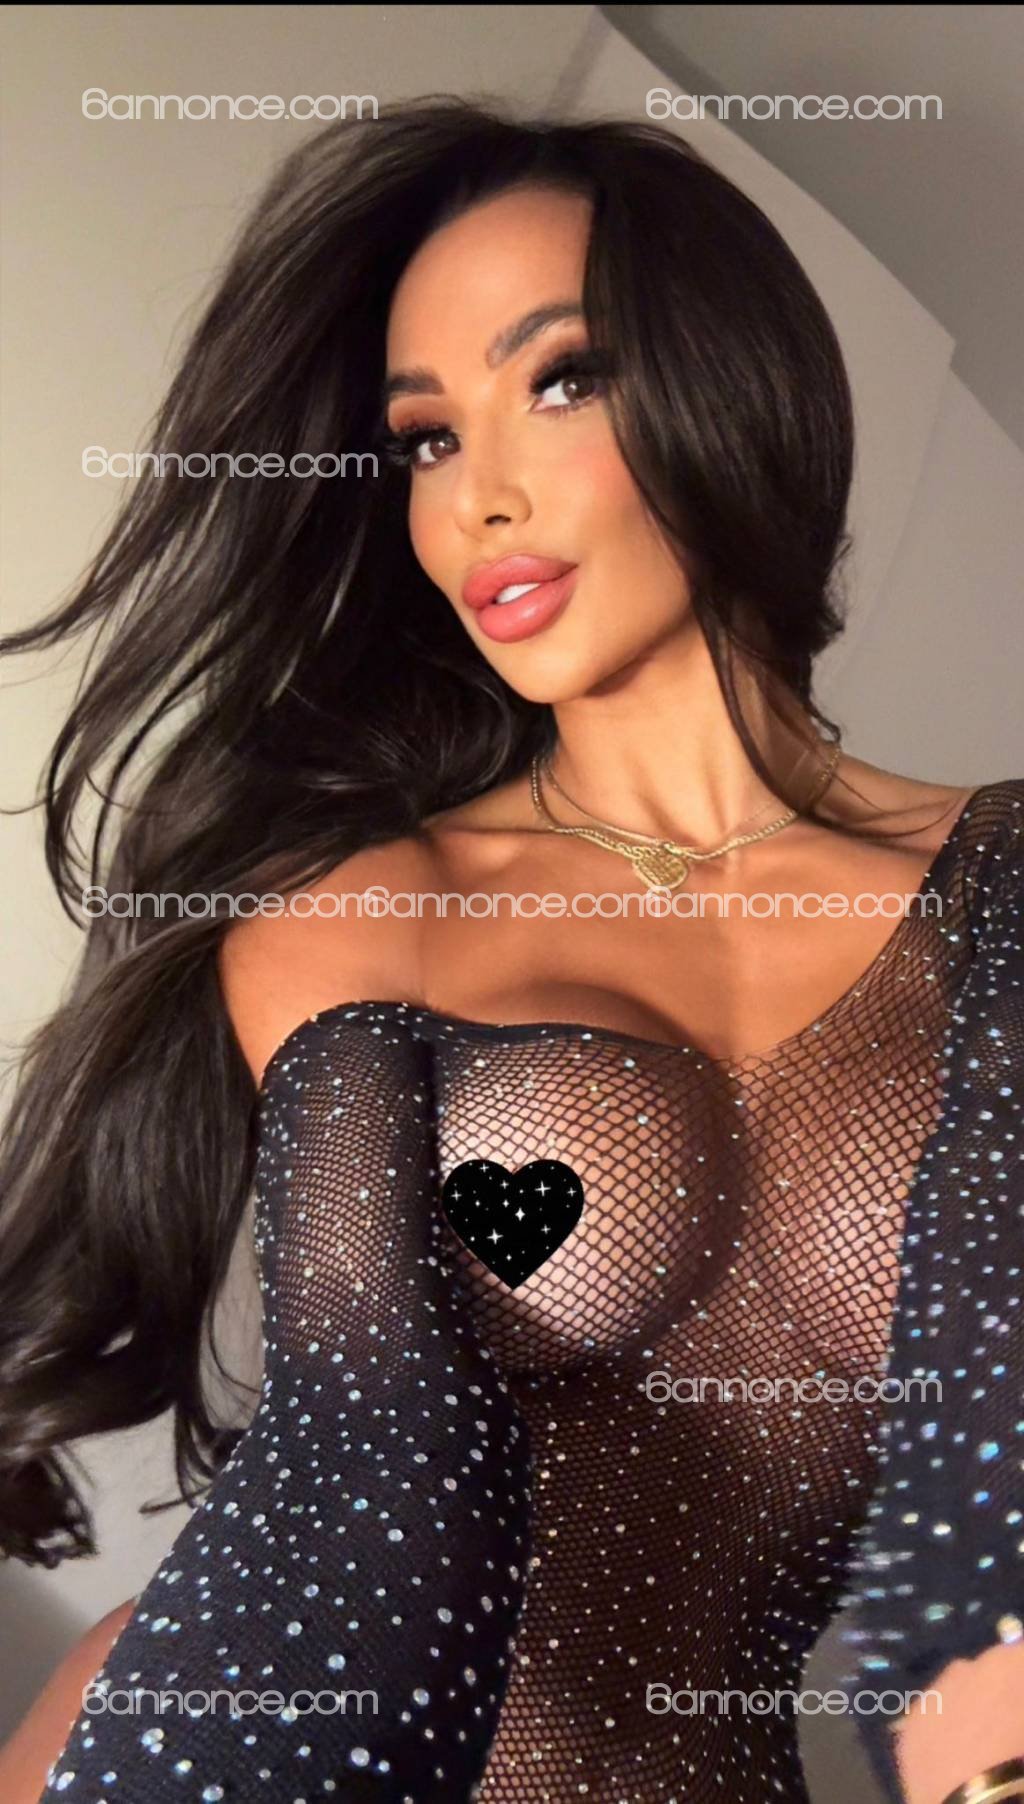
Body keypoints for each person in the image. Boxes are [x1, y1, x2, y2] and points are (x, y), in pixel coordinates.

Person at [1, 98, 1022, 1804]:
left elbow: (982, 1553)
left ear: (726, 378)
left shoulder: (996, 886)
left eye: (560, 380)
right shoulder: (366, 913)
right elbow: (359, 1467)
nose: (477, 498)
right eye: (423, 439)